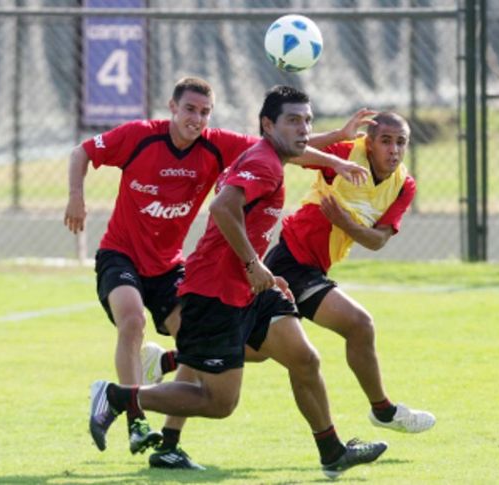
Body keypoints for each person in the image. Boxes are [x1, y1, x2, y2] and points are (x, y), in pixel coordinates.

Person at [88, 85, 388, 479]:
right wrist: (252, 263)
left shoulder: (267, 156)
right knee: (219, 402)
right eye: (294, 120)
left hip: (252, 290)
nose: (303, 128)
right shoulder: (263, 162)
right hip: (214, 292)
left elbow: (260, 198)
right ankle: (117, 396)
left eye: (308, 120)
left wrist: (261, 269)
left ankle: (332, 451)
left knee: (304, 358)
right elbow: (223, 206)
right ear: (268, 125)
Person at [263, 111, 436, 435]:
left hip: (314, 269)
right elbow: (287, 150)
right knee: (359, 324)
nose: (394, 150)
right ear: (369, 144)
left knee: (250, 349)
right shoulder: (346, 153)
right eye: (386, 141)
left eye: (401, 142)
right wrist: (338, 134)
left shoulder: (403, 185)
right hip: (291, 261)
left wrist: (346, 223)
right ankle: (383, 411)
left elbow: (378, 240)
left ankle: (168, 362)